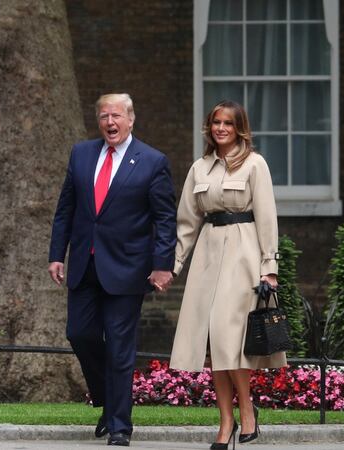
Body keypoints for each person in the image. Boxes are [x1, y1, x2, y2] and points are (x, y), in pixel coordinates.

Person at [48, 93, 176, 447]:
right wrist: (57, 254)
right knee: (79, 334)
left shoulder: (152, 161)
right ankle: (108, 398)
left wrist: (162, 265)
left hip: (128, 269)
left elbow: (165, 219)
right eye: (104, 116)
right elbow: (65, 209)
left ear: (131, 119)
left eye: (116, 115)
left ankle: (120, 425)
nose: (110, 122)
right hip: (84, 265)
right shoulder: (81, 154)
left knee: (120, 348)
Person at [169, 100, 286, 450]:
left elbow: (267, 218)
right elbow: (187, 222)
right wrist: (173, 265)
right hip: (207, 257)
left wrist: (270, 268)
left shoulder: (255, 164)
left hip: (243, 255)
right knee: (214, 342)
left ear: (240, 129)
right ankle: (226, 421)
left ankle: (246, 410)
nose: (221, 128)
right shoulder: (200, 168)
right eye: (216, 122)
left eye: (228, 123)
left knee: (229, 338)